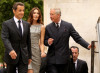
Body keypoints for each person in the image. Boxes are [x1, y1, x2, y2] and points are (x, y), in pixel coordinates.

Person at [44, 8, 91, 73]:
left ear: (58, 15)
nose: (50, 16)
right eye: (50, 14)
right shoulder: (48, 27)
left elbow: (77, 38)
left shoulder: (68, 26)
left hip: (64, 59)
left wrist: (87, 45)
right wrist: (48, 42)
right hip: (52, 60)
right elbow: (44, 41)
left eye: (52, 14)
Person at [1, 2, 31, 73]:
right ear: (14, 11)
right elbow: (5, 38)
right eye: (20, 10)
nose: (22, 12)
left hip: (23, 57)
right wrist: (10, 50)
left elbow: (28, 41)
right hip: (11, 57)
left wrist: (29, 56)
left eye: (23, 10)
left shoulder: (27, 24)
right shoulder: (6, 24)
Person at [27, 7, 46, 73]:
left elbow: (41, 42)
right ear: (31, 14)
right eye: (34, 13)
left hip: (36, 53)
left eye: (38, 13)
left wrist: (42, 52)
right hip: (27, 52)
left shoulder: (42, 27)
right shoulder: (26, 25)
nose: (36, 14)